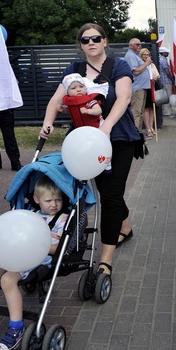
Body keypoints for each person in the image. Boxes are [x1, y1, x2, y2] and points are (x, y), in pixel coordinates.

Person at [40, 23, 141, 280]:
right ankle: (125, 227)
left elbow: (124, 97)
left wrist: (105, 127)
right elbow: (56, 100)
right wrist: (48, 122)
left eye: (96, 38)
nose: (91, 43)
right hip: (84, 144)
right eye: (85, 40)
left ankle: (105, 261)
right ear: (81, 45)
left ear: (105, 41)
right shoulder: (73, 70)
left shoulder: (118, 66)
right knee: (108, 190)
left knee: (110, 194)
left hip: (118, 139)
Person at [0, 176, 67, 350]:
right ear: (36, 199)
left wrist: (39, 244)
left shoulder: (62, 219)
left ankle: (16, 327)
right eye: (48, 200)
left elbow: (57, 249)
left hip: (35, 259)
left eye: (58, 200)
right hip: (14, 252)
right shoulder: (29, 216)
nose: (54, 204)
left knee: (7, 280)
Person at [123, 38, 152, 129]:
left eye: (140, 44)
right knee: (136, 112)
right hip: (137, 88)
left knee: (140, 112)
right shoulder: (131, 56)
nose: (140, 46)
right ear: (131, 45)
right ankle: (135, 134)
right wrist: (146, 63)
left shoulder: (135, 56)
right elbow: (135, 71)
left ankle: (138, 132)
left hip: (142, 87)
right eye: (137, 44)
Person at [139, 48, 160, 139]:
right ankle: (147, 128)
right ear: (141, 55)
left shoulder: (152, 65)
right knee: (146, 109)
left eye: (148, 54)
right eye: (144, 54)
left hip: (152, 87)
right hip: (144, 87)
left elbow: (157, 75)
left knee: (152, 108)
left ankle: (151, 127)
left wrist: (155, 77)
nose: (146, 56)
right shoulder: (140, 64)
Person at [158, 47, 174, 117]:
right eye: (166, 52)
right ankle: (167, 112)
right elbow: (167, 71)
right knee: (168, 96)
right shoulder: (163, 60)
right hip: (166, 80)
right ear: (163, 53)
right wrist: (172, 79)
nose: (167, 53)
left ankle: (165, 111)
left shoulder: (159, 58)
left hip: (161, 80)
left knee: (163, 96)